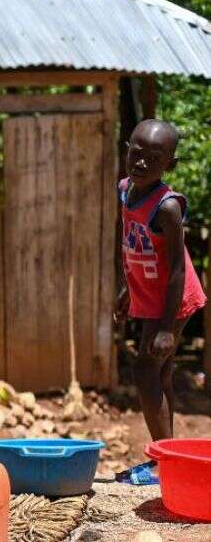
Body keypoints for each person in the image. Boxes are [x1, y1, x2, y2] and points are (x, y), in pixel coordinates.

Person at [114, 120, 206, 460]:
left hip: (173, 299)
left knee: (145, 369)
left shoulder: (167, 207)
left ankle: (161, 461)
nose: (141, 163)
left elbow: (178, 268)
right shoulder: (125, 190)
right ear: (126, 150)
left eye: (154, 158)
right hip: (150, 294)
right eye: (136, 154)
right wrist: (128, 289)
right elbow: (129, 243)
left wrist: (167, 327)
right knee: (159, 374)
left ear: (170, 164)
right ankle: (170, 459)